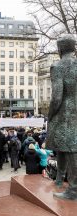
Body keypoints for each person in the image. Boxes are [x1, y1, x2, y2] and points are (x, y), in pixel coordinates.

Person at [46, 34, 77, 200]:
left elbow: (57, 97)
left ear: (60, 49)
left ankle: (73, 190)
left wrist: (50, 115)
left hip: (64, 113)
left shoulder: (58, 66)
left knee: (69, 148)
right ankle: (59, 178)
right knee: (67, 146)